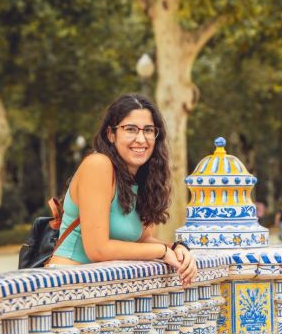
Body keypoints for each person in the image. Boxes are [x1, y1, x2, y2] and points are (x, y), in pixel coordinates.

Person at [48, 93, 198, 285]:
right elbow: (98, 249)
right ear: (111, 134)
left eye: (149, 130)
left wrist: (177, 248)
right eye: (131, 129)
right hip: (69, 284)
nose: (141, 139)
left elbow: (141, 241)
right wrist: (162, 252)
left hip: (108, 291)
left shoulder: (143, 180)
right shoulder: (98, 165)